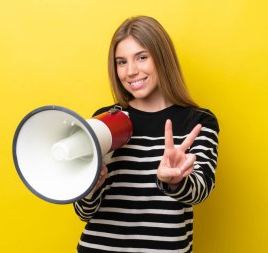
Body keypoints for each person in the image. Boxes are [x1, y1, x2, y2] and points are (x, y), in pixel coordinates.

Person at [74, 15, 219, 253]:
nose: (130, 71)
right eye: (121, 62)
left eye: (141, 57)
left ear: (162, 58)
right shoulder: (106, 120)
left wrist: (175, 181)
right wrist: (90, 187)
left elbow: (201, 190)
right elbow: (84, 212)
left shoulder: (198, 122)